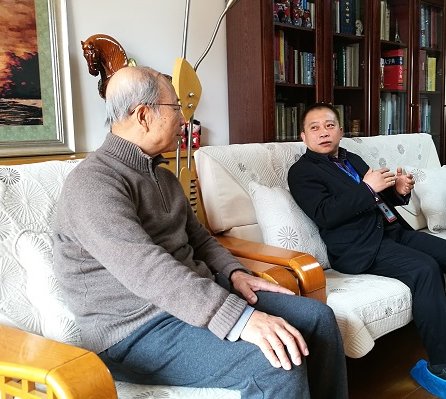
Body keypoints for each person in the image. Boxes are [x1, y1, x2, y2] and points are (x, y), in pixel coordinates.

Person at [52, 66, 348, 399]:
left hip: (193, 300)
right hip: (135, 329)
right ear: (143, 115)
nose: (184, 119)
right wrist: (240, 319)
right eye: (175, 108)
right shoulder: (93, 184)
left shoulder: (163, 176)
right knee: (276, 361)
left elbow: (201, 238)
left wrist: (235, 273)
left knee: (319, 319)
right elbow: (147, 269)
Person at [287, 102, 446, 396]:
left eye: (329, 125)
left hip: (392, 231)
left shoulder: (353, 159)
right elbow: (325, 213)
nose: (323, 132)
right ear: (303, 136)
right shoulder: (302, 172)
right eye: (314, 128)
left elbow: (379, 198)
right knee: (425, 269)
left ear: (340, 131)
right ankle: (443, 362)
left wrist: (399, 191)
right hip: (359, 248)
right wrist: (367, 188)